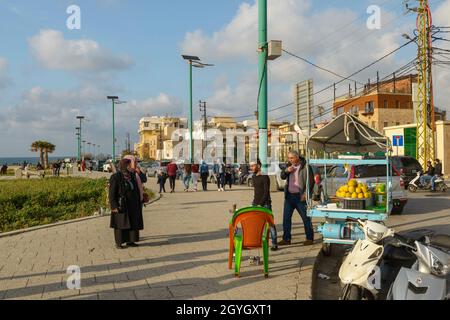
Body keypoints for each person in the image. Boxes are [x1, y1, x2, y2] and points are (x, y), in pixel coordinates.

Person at [278, 151, 315, 247]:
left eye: (292, 158)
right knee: (286, 218)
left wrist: (306, 194)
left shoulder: (305, 167)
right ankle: (286, 239)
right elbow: (282, 176)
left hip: (300, 196)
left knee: (306, 218)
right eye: (289, 158)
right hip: (289, 196)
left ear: (297, 157)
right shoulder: (288, 166)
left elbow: (311, 182)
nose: (290, 160)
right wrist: (286, 171)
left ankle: (309, 238)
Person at [109, 158, 144, 249]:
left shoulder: (132, 175)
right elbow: (112, 193)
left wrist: (141, 199)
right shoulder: (116, 177)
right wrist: (114, 206)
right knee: (120, 223)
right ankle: (119, 243)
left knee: (132, 222)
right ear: (124, 166)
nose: (131, 166)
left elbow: (136, 188)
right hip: (121, 204)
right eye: (129, 165)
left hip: (132, 204)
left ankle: (130, 241)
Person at [251, 159, 278, 251]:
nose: (251, 168)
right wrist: (254, 203)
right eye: (251, 166)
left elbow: (266, 192)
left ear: (258, 166)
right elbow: (256, 192)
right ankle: (256, 241)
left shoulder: (265, 177)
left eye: (253, 166)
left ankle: (274, 243)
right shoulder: (253, 176)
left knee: (270, 223)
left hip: (265, 203)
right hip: (255, 203)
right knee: (255, 223)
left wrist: (260, 204)